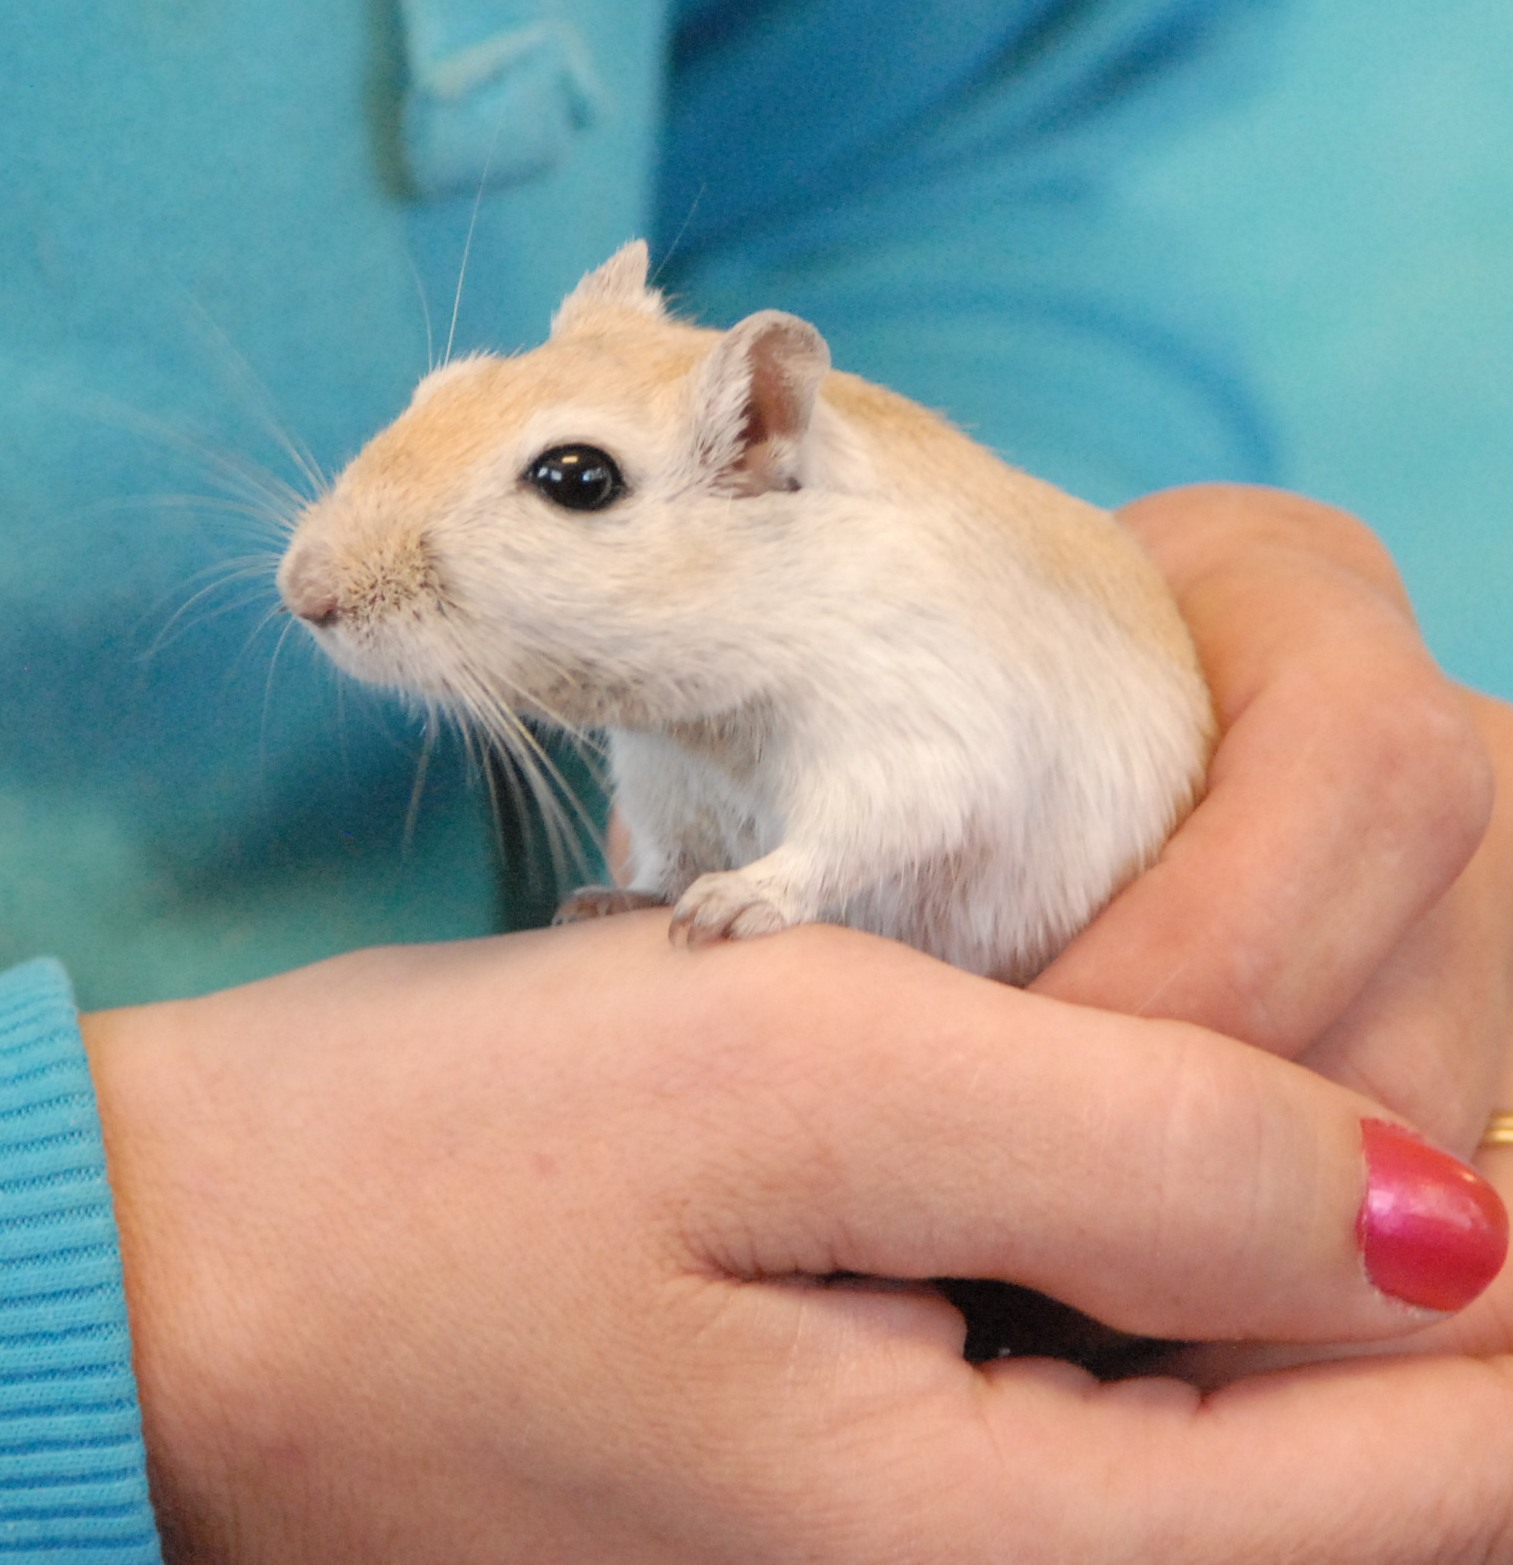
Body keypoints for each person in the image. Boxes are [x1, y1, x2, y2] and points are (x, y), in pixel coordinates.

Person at [3, 1, 1513, 1559]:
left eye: (571, 484)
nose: (321, 582)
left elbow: (904, 145)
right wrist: (123, 1315)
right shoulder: (679, 651)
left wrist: (1128, 557)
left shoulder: (860, 598)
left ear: (767, 440)